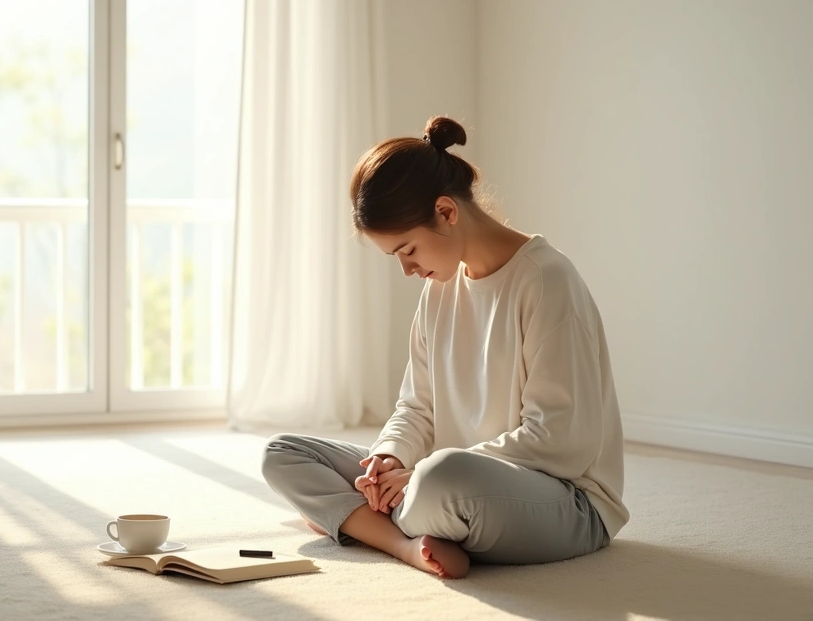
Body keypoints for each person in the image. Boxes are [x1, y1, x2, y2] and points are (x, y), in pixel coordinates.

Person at [261, 116, 628, 579]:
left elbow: (562, 442)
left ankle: (353, 520)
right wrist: (390, 459)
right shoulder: (438, 291)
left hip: (565, 502)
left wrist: (417, 476)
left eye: (407, 251)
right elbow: (417, 408)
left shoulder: (546, 280)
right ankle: (408, 545)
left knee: (441, 478)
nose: (408, 270)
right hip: (453, 485)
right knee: (284, 452)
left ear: (447, 212)